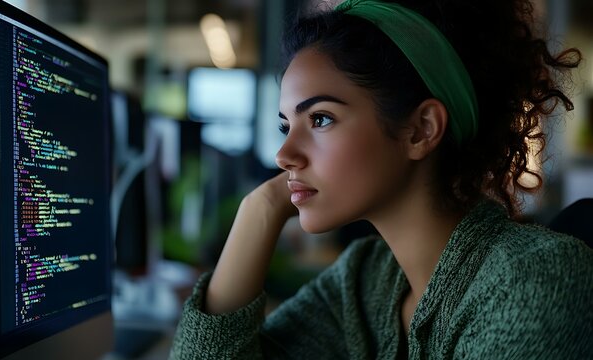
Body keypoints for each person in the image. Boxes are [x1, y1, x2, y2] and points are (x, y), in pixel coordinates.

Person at [170, 0, 593, 358]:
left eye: (320, 119)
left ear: (421, 130)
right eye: (286, 126)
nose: (284, 155)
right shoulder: (366, 280)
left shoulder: (533, 280)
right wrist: (259, 209)